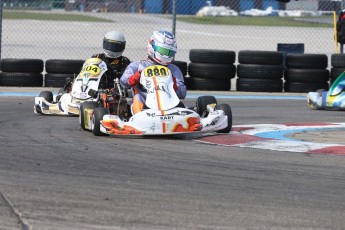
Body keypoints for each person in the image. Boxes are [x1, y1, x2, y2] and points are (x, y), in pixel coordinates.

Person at [120, 30, 187, 114]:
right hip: (145, 102)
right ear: (152, 47)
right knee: (138, 97)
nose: (166, 55)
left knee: (180, 105)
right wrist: (134, 78)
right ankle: (139, 117)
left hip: (168, 104)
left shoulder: (174, 70)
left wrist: (174, 86)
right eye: (163, 51)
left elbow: (182, 93)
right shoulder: (138, 66)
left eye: (170, 52)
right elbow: (123, 81)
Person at [64, 30, 131, 92]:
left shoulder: (124, 61)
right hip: (93, 87)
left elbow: (126, 80)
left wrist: (114, 73)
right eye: (110, 45)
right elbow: (85, 71)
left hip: (113, 90)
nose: (112, 49)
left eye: (115, 46)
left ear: (122, 47)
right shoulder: (97, 57)